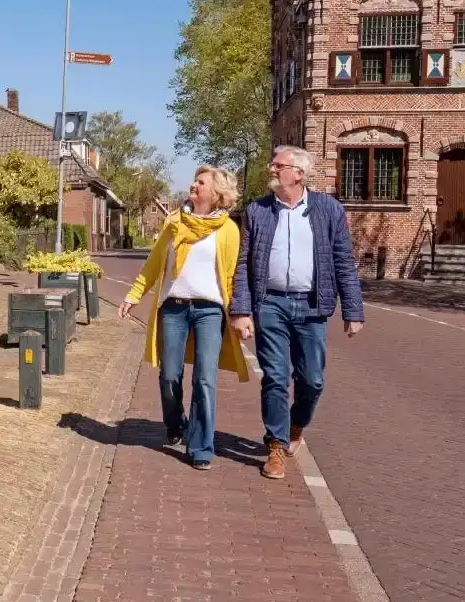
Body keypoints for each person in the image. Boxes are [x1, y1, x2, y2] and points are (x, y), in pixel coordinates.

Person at [230, 145, 364, 480]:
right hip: (270, 303)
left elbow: (343, 262)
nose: (271, 169)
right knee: (274, 377)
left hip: (311, 305)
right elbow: (243, 264)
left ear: (299, 173)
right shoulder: (257, 211)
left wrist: (353, 309)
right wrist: (241, 310)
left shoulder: (328, 210)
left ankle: (295, 426)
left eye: (277, 165)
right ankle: (275, 446)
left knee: (312, 380)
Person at [119, 166, 250, 470]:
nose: (193, 184)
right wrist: (134, 294)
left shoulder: (228, 229)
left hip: (209, 310)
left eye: (200, 182)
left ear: (217, 193)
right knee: (169, 376)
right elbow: (155, 263)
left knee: (205, 379)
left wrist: (239, 313)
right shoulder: (174, 222)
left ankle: (201, 446)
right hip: (174, 308)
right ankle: (176, 423)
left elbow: (231, 276)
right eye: (195, 180)